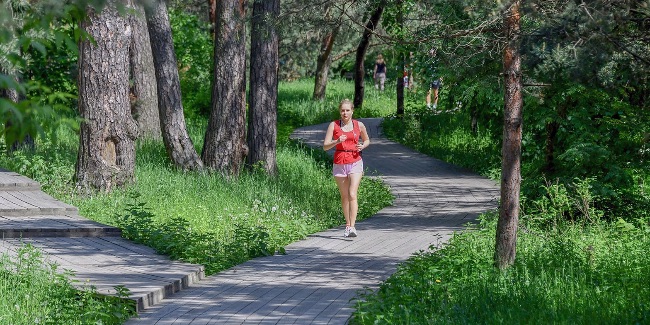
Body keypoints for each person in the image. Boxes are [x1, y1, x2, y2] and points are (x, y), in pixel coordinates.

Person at [323, 99, 370, 238]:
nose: (345, 113)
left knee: (352, 194)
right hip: (339, 162)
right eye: (342, 110)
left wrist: (363, 145)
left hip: (355, 161)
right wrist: (336, 141)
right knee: (344, 196)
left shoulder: (359, 125)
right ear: (340, 111)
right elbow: (325, 146)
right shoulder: (334, 125)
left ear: (352, 111)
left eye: (347, 110)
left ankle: (352, 227)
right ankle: (347, 224)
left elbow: (367, 140)